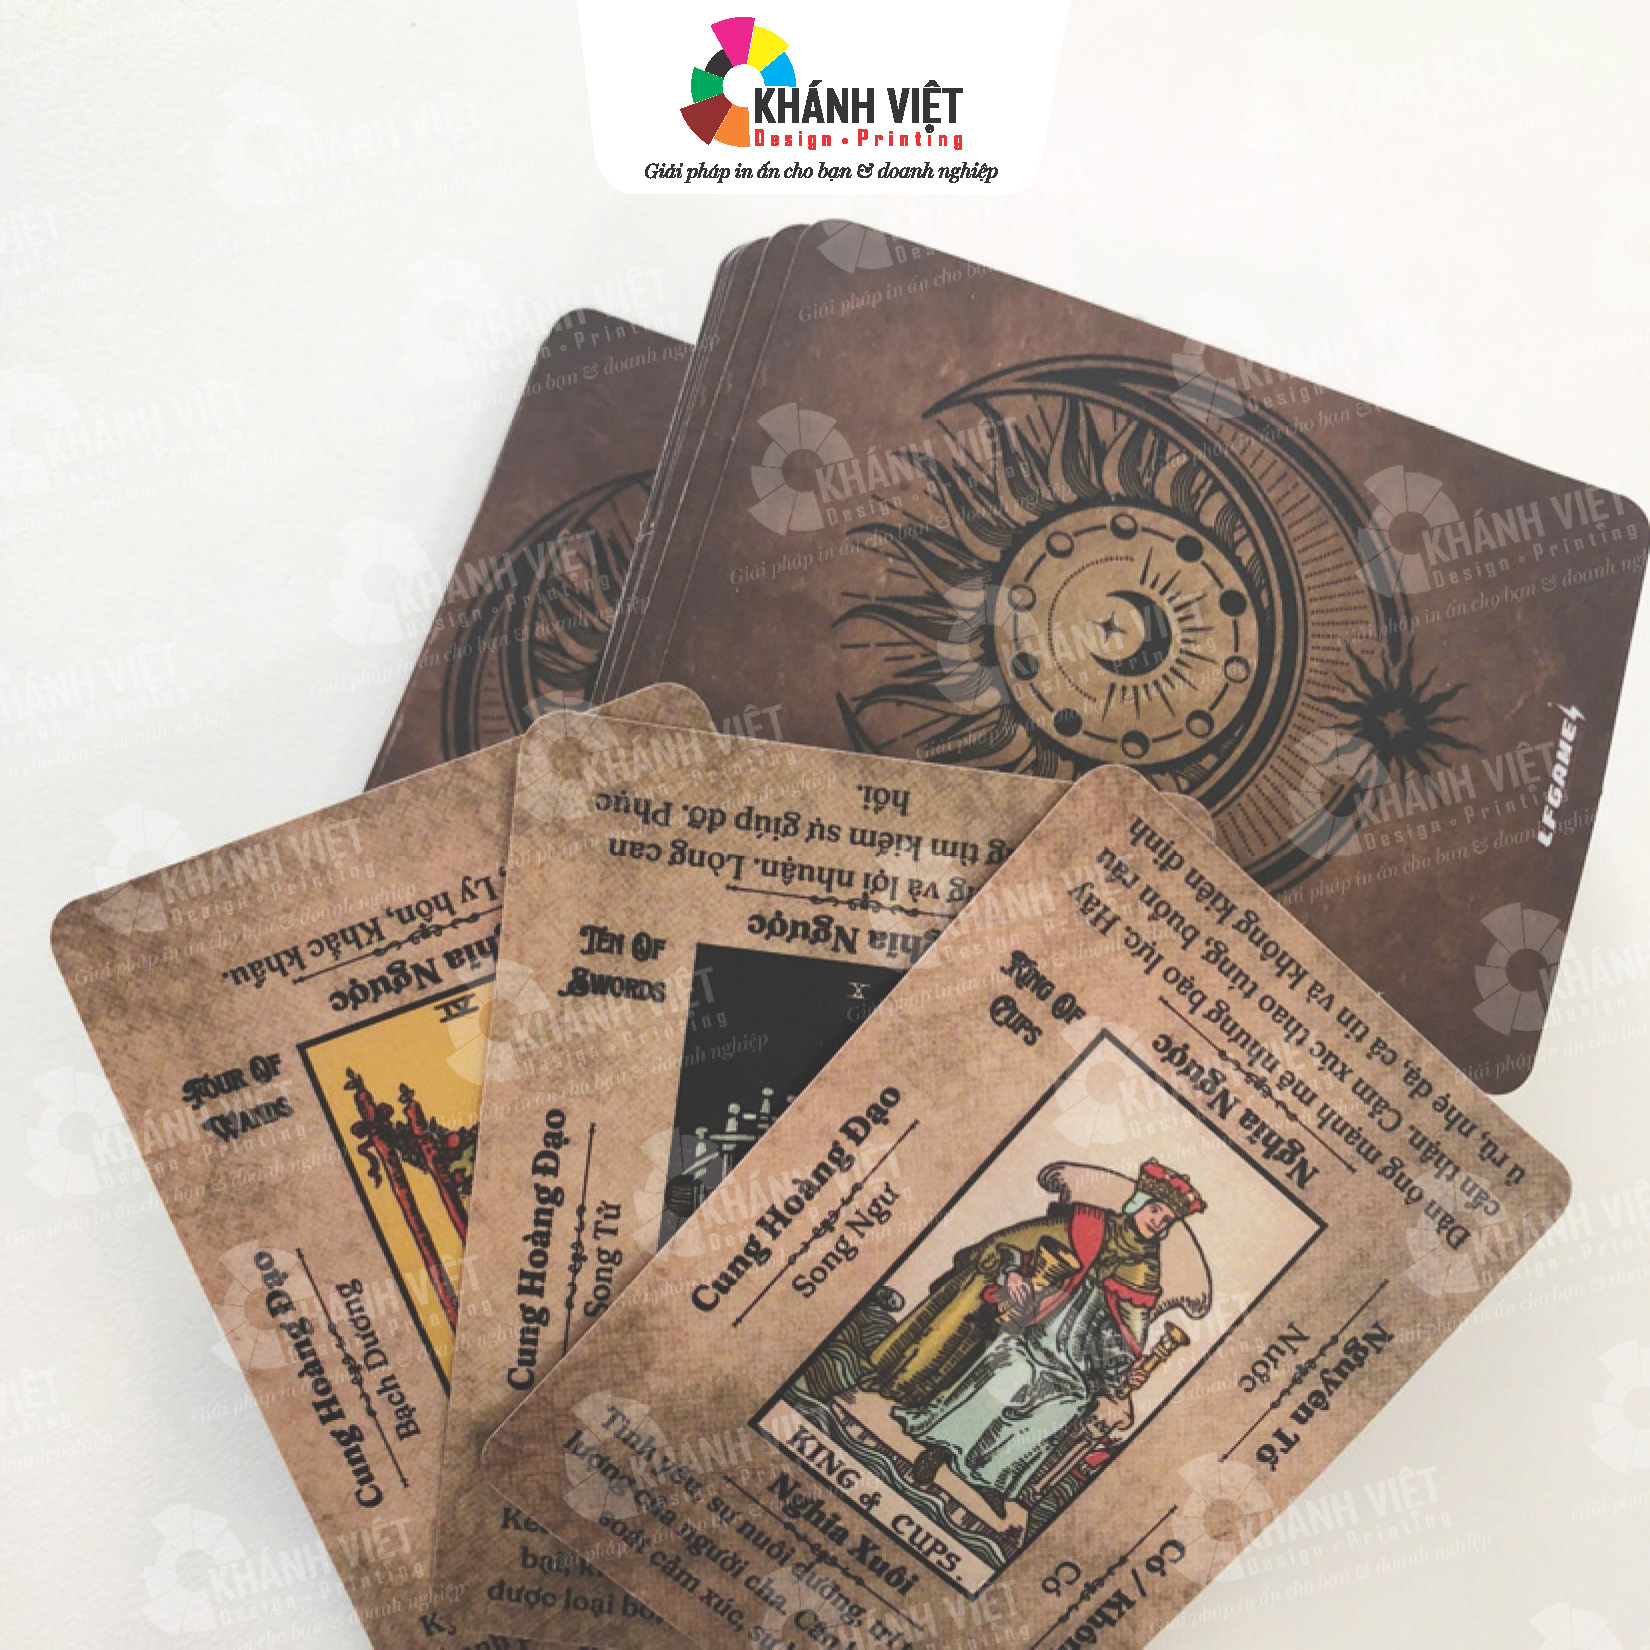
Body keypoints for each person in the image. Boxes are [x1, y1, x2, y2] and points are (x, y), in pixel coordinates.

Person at [886, 1159, 1205, 1516]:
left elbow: (1122, 1335)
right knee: (1011, 1370)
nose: (1157, 1221)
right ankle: (941, 1448)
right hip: (1030, 1330)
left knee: (1064, 1402)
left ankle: (990, 1479)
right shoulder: (1088, 1225)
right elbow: (1014, 1244)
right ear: (1139, 1203)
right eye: (1155, 1210)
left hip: (1074, 1366)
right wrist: (1012, 1275)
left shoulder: (1145, 1272)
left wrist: (1122, 1374)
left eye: (1166, 1219)